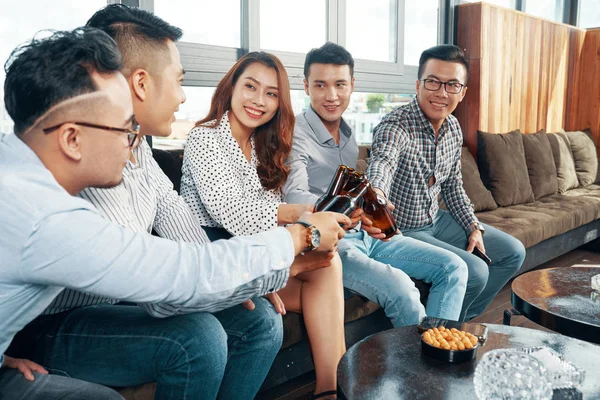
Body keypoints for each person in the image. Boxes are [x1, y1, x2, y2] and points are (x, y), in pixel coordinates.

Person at [0, 28, 345, 400]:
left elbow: (181, 237)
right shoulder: (45, 213)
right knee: (199, 340)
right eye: (124, 129)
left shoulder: (42, 178)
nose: (132, 143)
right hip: (70, 318)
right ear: (71, 139)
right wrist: (297, 238)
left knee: (258, 320)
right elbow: (173, 280)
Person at [180, 52, 348, 400]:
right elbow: (230, 211)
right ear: (231, 88)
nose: (259, 101)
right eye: (250, 87)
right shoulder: (205, 137)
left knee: (327, 262)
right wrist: (297, 215)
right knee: (317, 275)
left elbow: (266, 210)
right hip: (210, 252)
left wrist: (309, 216)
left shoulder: (262, 145)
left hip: (250, 248)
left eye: (271, 93)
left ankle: (329, 391)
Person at [283, 42, 468, 323]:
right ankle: (421, 365)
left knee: (454, 267)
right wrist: (353, 211)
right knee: (403, 289)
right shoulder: (294, 134)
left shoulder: (347, 134)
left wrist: (369, 209)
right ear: (306, 87)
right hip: (332, 244)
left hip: (366, 235)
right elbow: (294, 195)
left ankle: (439, 350)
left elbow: (359, 183)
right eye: (320, 85)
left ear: (352, 85)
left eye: (340, 84)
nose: (331, 96)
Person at [367, 44, 526, 321]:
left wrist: (473, 227)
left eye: (452, 85)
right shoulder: (396, 125)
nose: (441, 93)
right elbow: (382, 161)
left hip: (436, 220)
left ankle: (458, 322)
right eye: (433, 82)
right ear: (418, 84)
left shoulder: (453, 127)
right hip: (405, 229)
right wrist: (376, 192)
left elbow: (453, 187)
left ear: (462, 92)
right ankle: (438, 337)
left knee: (513, 252)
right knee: (476, 271)